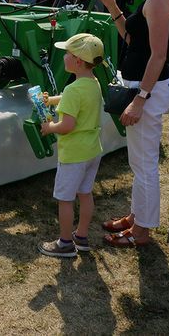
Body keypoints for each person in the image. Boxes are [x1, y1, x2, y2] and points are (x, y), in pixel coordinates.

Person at [95, 0, 169, 248]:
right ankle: (137, 216)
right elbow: (134, 40)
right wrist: (113, 6)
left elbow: (158, 55)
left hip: (148, 91)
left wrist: (140, 99)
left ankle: (141, 231)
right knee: (139, 162)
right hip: (143, 88)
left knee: (144, 165)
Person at [37, 33, 105, 257]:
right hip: (92, 150)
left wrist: (49, 128)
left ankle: (65, 243)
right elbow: (75, 99)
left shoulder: (72, 90)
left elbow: (66, 125)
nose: (64, 56)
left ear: (77, 61)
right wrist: (52, 100)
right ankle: (82, 237)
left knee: (65, 199)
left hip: (74, 154)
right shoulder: (93, 83)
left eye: (67, 53)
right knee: (85, 193)